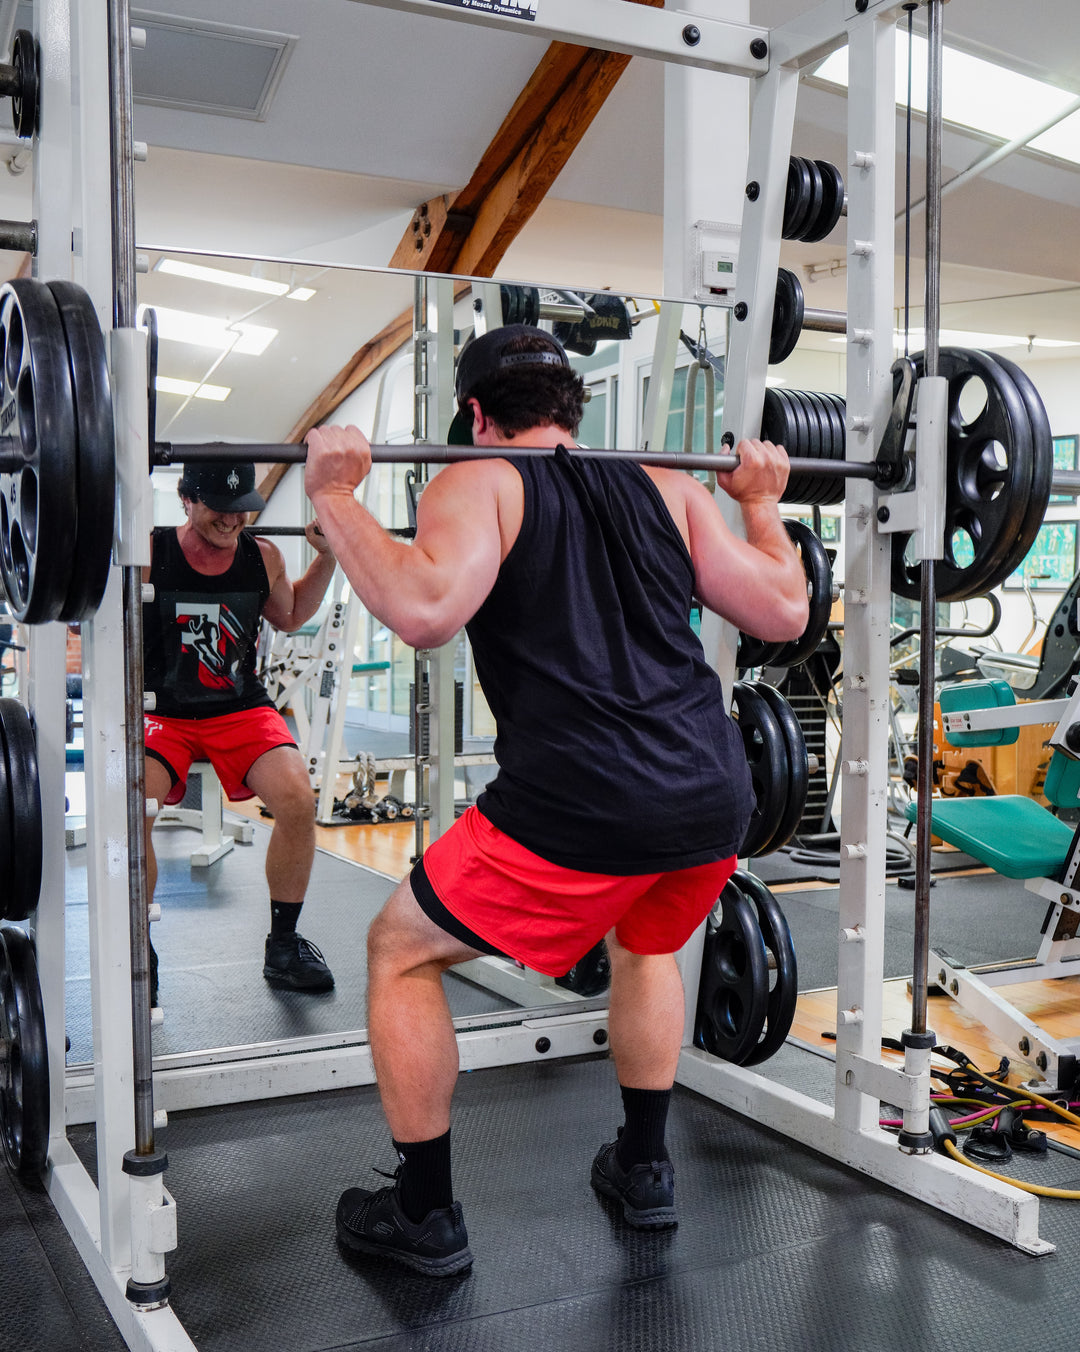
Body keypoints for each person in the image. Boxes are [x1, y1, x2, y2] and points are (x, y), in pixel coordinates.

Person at [303, 324, 808, 1277]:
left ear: (477, 415)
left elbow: (422, 610)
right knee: (649, 943)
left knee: (401, 949)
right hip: (710, 790)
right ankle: (645, 1167)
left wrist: (334, 496)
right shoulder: (672, 485)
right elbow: (784, 610)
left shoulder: (479, 478)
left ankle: (423, 1215)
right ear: (573, 408)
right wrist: (764, 504)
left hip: (582, 800)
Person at [142, 459, 337, 1001]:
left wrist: (329, 555)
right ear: (186, 499)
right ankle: (139, 951)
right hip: (164, 711)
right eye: (219, 510)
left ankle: (283, 946)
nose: (232, 522)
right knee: (136, 812)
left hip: (238, 707)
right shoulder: (149, 553)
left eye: (241, 509)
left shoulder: (263, 557)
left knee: (298, 799)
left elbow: (292, 614)